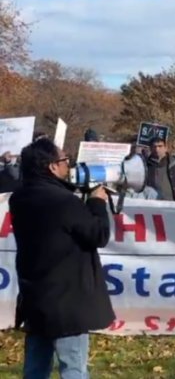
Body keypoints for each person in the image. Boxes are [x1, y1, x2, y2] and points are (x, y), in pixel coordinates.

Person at [9, 138, 114, 378]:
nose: (68, 166)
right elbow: (98, 235)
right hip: (68, 301)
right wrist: (97, 203)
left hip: (35, 297)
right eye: (65, 160)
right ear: (51, 166)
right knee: (73, 367)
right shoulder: (63, 201)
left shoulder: (19, 198)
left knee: (35, 368)